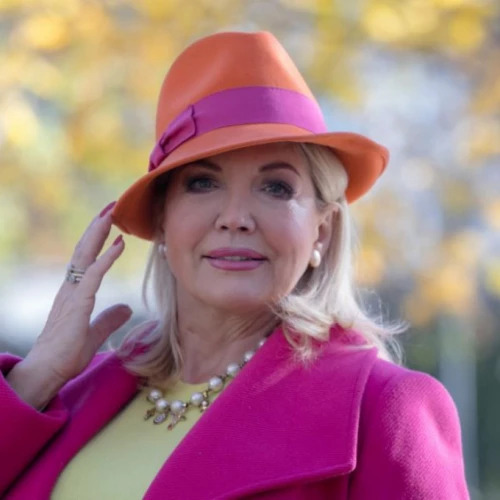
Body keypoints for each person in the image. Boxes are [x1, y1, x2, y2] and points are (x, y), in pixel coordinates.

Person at [0, 31, 468, 499]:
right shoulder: (64, 397)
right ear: (162, 220)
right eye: (203, 183)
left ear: (321, 232)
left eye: (276, 188)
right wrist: (37, 377)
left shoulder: (385, 410)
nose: (235, 218)